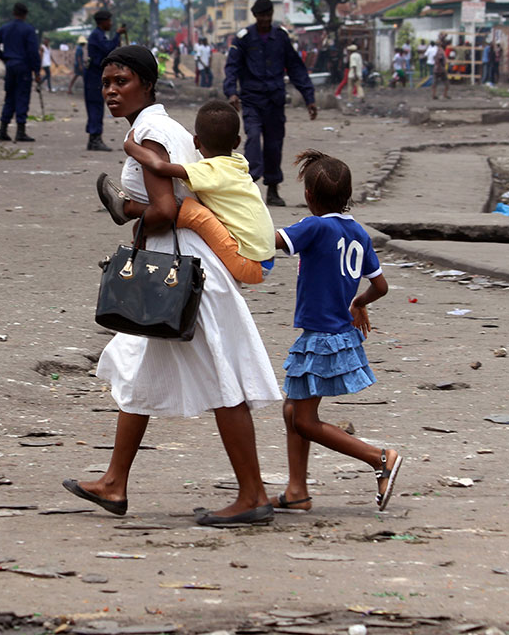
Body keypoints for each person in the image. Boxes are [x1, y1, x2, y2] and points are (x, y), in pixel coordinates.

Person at [61, 45, 283, 527]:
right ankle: (115, 482)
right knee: (138, 366)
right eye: (106, 83)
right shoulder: (168, 128)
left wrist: (127, 213)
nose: (111, 91)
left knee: (225, 380)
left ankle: (253, 494)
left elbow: (165, 210)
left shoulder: (149, 132)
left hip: (183, 275)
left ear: (146, 83)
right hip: (182, 268)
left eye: (121, 82)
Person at [272, 150, 401, 513]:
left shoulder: (315, 227)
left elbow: (274, 241)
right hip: (338, 333)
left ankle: (379, 457)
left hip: (320, 337)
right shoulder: (357, 232)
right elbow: (381, 286)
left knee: (304, 420)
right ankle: (296, 491)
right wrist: (359, 302)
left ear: (309, 196)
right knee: (291, 410)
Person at [113, 100, 275, 286]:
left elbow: (159, 166)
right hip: (264, 260)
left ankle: (129, 209)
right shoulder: (238, 163)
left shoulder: (209, 170)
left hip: (250, 263)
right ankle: (136, 219)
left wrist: (131, 146)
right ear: (237, 142)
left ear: (196, 141)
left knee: (189, 209)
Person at [223, 0, 317, 208]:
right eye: (262, 16)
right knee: (254, 139)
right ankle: (251, 186)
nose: (265, 20)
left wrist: (309, 97)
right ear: (255, 16)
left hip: (274, 101)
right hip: (252, 99)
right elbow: (232, 67)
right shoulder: (243, 38)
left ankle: (273, 189)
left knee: (274, 146)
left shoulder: (281, 37)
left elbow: (296, 68)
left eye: (268, 15)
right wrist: (231, 93)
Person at [0, 2, 42, 143]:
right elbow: (33, 52)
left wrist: (3, 57)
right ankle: (20, 131)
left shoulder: (5, 28)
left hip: (10, 66)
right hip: (23, 67)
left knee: (10, 97)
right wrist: (36, 71)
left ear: (14, 13)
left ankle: (3, 129)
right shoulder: (28, 30)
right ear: (25, 14)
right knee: (22, 97)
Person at [84, 10, 124, 151]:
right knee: (95, 106)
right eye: (109, 20)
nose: (111, 23)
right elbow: (108, 48)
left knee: (97, 107)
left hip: (96, 75)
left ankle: (94, 138)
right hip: (94, 76)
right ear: (103, 22)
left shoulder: (99, 35)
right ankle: (95, 139)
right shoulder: (97, 35)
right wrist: (118, 34)